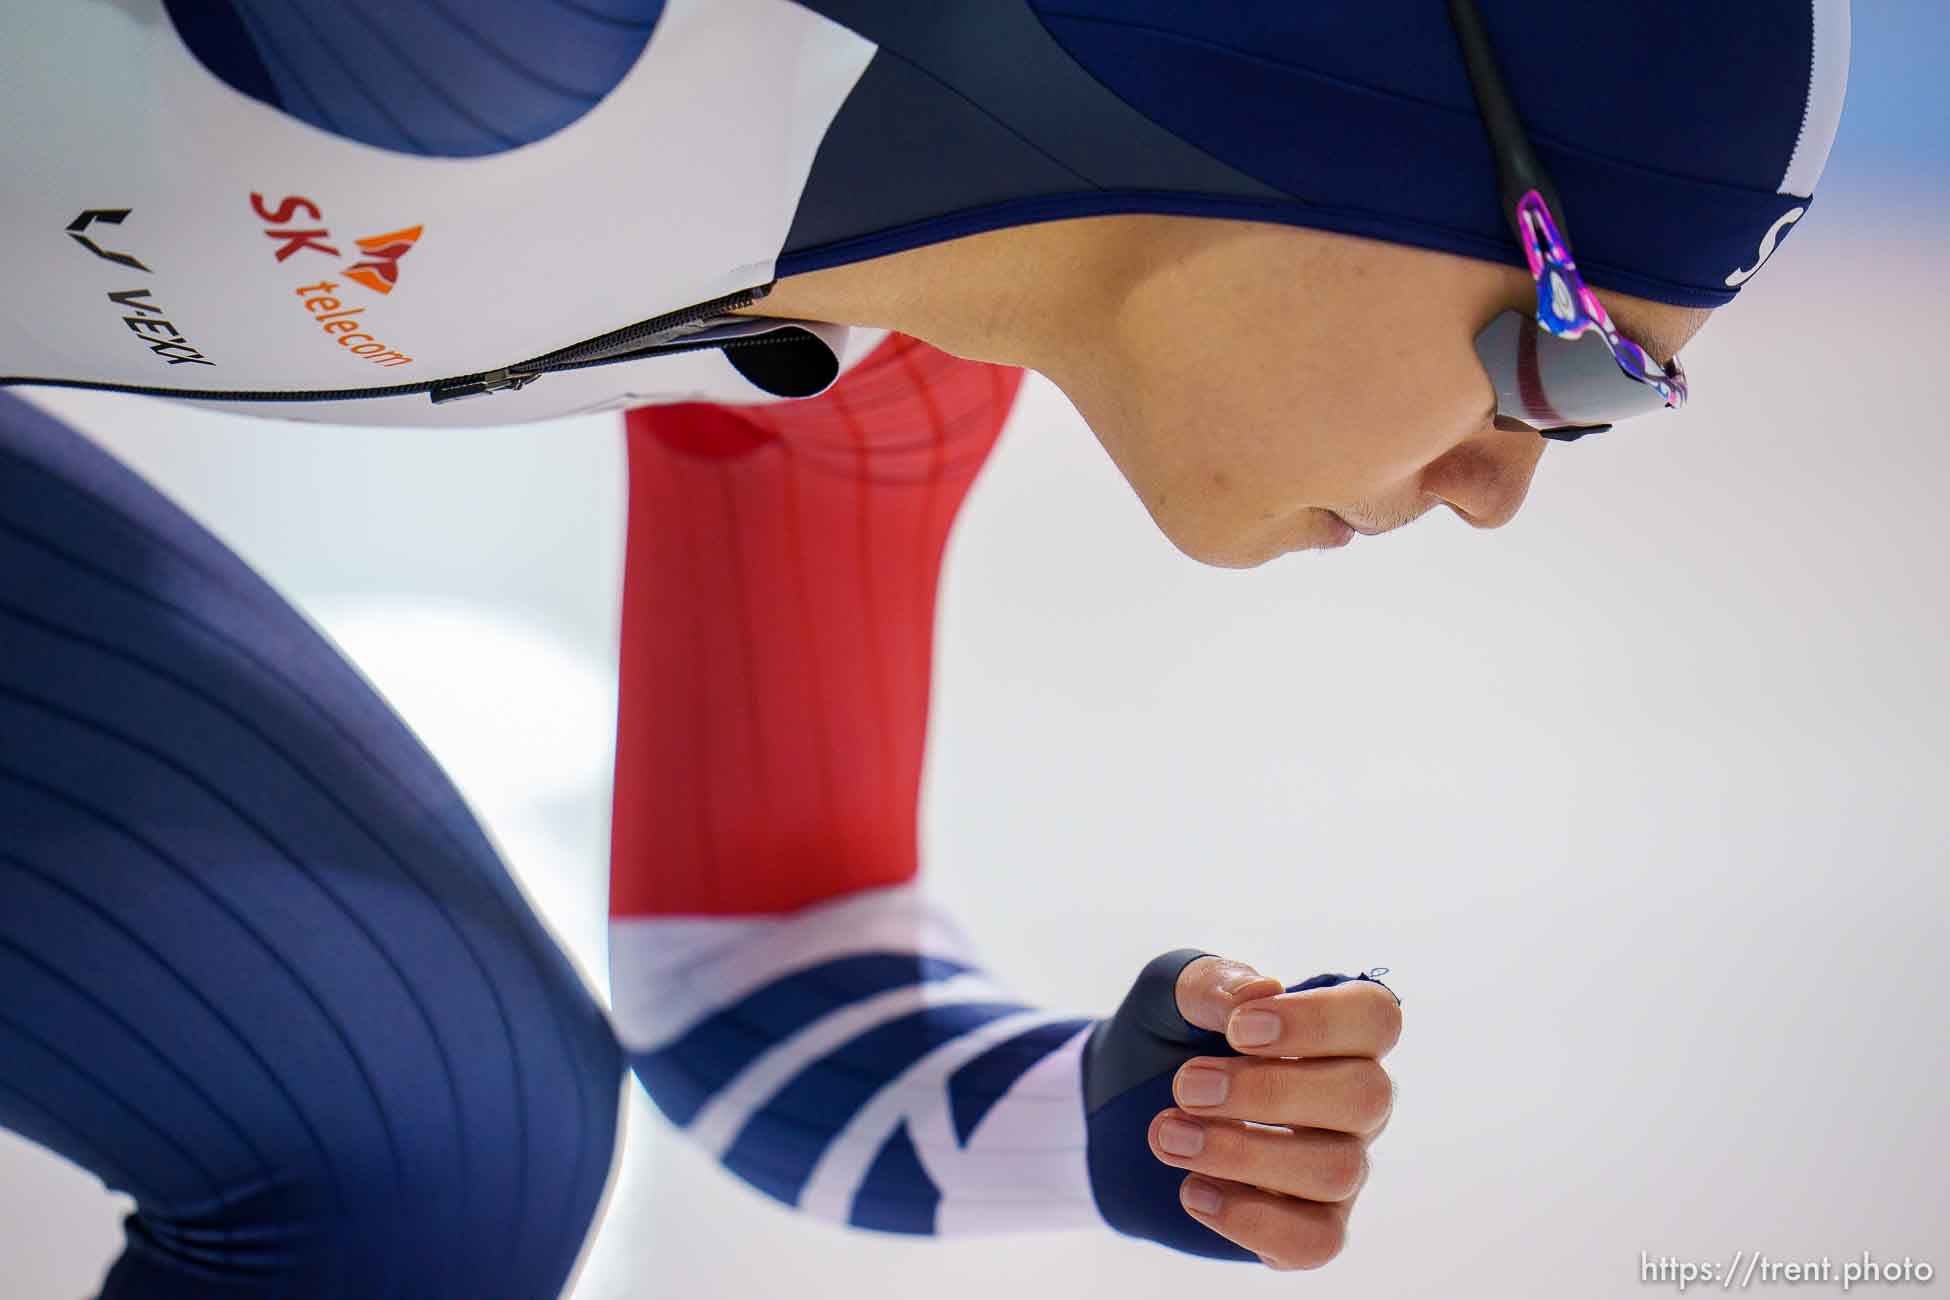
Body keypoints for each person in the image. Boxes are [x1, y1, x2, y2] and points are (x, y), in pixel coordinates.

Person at [0, 0, 1848, 1294]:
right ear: (1353, 126)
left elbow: (761, 978)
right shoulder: (559, 38)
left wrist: (1126, 1124)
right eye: (1572, 362)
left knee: (431, 1159)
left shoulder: (876, 382)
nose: (1504, 484)